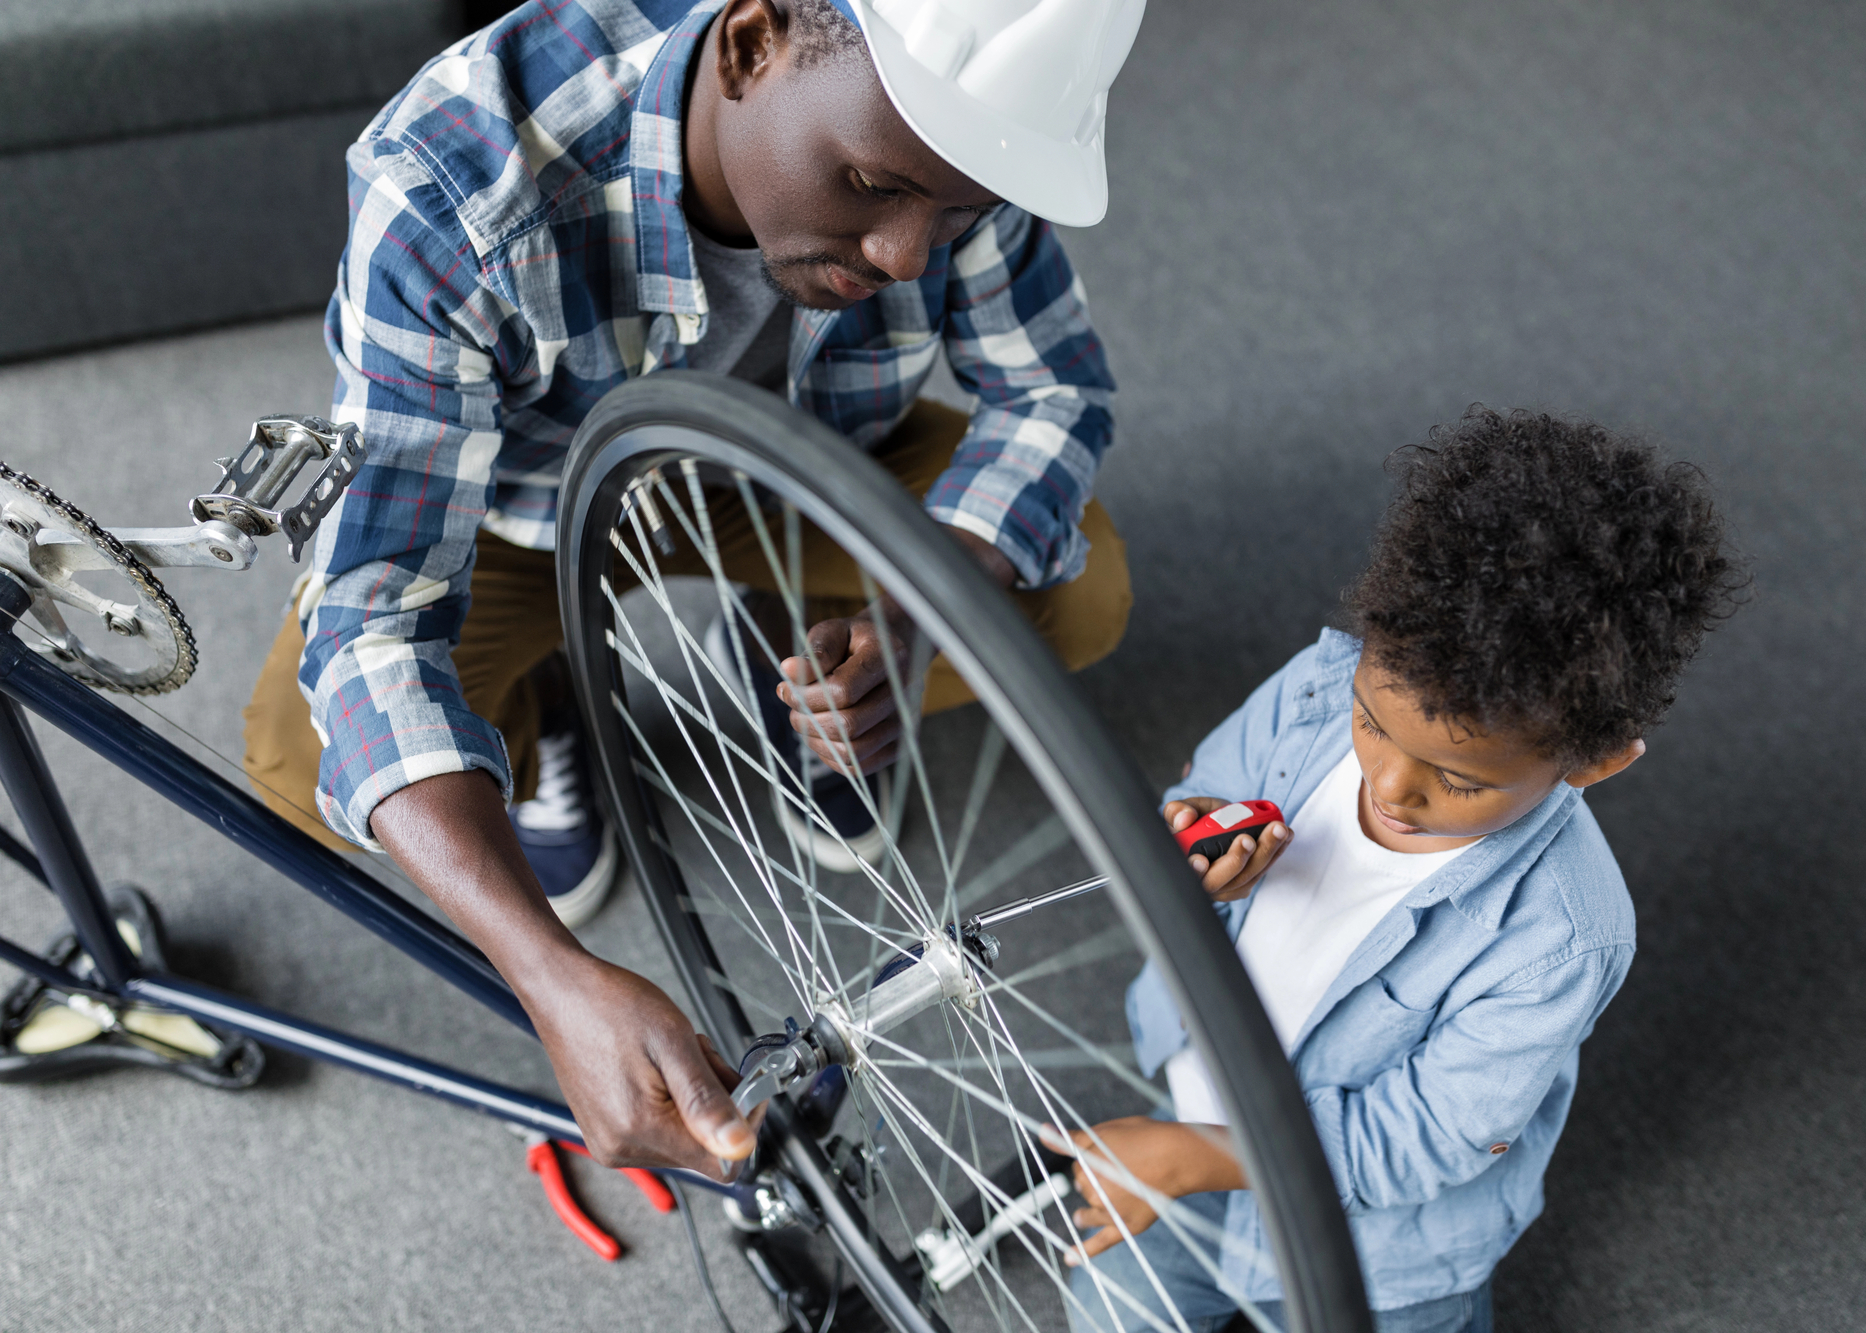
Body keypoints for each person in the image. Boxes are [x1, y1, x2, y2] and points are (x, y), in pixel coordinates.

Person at [239, 0, 1144, 1176]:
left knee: (1078, 592)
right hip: (524, 510)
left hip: (812, 467)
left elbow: (1053, 396)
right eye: (870, 183)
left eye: (957, 210)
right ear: (751, 44)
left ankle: (793, 646)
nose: (907, 254)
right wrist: (551, 978)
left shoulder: (954, 139)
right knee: (305, 765)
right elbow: (374, 611)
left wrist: (914, 610)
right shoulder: (454, 177)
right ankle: (550, 699)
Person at [1054, 408, 1747, 1333]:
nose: (1387, 782)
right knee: (1105, 1306)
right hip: (1195, 1112)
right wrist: (1191, 849)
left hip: (1385, 1244)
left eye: (1457, 778)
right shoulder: (1311, 687)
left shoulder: (1562, 935)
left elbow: (1427, 1137)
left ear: (1592, 763)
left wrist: (1207, 1155)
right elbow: (1204, 791)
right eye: (1373, 720)